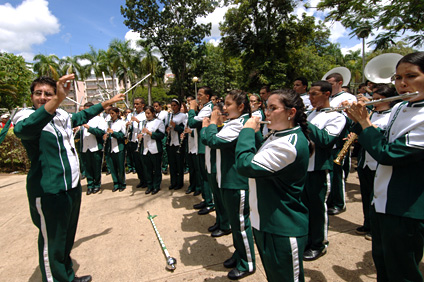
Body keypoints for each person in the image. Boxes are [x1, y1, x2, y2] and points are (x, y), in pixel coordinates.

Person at [13, 74, 125, 282]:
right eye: (39, 93)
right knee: (52, 245)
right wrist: (56, 100)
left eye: (49, 93)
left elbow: (81, 117)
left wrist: (106, 103)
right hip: (50, 191)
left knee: (65, 239)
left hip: (72, 187)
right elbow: (24, 131)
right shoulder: (25, 115)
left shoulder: (61, 115)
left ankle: (67, 276)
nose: (43, 97)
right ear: (32, 97)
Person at [345, 52, 424, 282]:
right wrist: (356, 118)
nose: (402, 83)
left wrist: (364, 122)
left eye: (411, 76)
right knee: (384, 264)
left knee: (402, 272)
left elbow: (388, 154)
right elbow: (383, 137)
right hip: (382, 201)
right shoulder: (401, 107)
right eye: (398, 77)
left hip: (404, 208)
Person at [236, 89, 312, 282]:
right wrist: (254, 134)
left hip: (283, 227)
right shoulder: (277, 134)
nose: (266, 113)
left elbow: (246, 165)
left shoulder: (288, 142)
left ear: (291, 112)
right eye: (266, 107)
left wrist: (245, 131)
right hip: (268, 223)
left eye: (273, 108)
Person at [203, 90, 256, 280]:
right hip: (228, 180)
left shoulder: (241, 124)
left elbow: (212, 140)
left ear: (241, 107)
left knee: (241, 224)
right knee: (235, 223)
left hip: (237, 182)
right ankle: (239, 253)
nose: (224, 108)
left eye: (228, 104)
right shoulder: (234, 122)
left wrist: (210, 124)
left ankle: (247, 263)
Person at [303, 81, 346, 261]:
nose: (310, 98)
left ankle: (319, 244)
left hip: (318, 169)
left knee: (317, 209)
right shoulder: (310, 113)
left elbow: (325, 140)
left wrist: (303, 121)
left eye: (314, 94)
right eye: (310, 94)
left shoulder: (336, 116)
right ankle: (305, 240)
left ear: (327, 94)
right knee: (303, 207)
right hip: (302, 167)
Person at [354, 84, 397, 241]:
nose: (374, 102)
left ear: (389, 100)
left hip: (378, 163)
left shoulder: (391, 115)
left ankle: (376, 228)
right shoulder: (371, 113)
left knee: (376, 197)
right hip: (365, 161)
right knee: (366, 196)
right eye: (373, 98)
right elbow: (360, 131)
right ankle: (368, 223)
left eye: (379, 99)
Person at [325, 73, 357, 216]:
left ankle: (339, 203)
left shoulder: (348, 97)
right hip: (327, 140)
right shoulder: (328, 97)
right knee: (328, 173)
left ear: (340, 83)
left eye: (331, 84)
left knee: (337, 173)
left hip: (340, 140)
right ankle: (329, 200)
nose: (329, 87)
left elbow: (350, 119)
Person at [188, 86, 215, 215]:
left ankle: (210, 203)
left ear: (207, 97)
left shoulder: (208, 108)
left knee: (206, 175)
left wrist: (191, 110)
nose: (198, 97)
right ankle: (206, 199)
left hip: (205, 148)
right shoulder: (204, 108)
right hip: (200, 146)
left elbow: (192, 123)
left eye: (200, 95)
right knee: (202, 175)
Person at [81, 102, 107, 195]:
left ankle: (97, 184)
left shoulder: (99, 119)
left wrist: (89, 128)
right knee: (88, 168)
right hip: (85, 147)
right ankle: (90, 185)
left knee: (96, 167)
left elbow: (101, 132)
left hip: (95, 147)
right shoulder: (82, 119)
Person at [140, 105, 166, 194]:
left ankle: (156, 186)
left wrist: (150, 133)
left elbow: (161, 135)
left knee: (156, 168)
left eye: (148, 113)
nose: (147, 115)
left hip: (155, 148)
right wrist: (140, 135)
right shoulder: (144, 122)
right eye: (145, 113)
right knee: (147, 169)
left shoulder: (159, 122)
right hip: (145, 148)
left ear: (153, 113)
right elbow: (142, 133)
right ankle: (149, 185)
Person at [166, 99, 187, 190]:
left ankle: (180, 182)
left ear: (178, 106)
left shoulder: (183, 116)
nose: (173, 107)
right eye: (172, 105)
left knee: (179, 164)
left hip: (179, 142)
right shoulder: (169, 115)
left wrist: (175, 126)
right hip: (171, 142)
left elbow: (184, 129)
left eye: (175, 105)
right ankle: (173, 182)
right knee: (172, 164)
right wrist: (167, 129)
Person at [104, 107, 127, 192]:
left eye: (112, 113)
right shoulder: (108, 123)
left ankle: (122, 183)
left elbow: (123, 136)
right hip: (110, 147)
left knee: (120, 166)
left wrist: (113, 133)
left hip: (118, 147)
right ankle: (116, 183)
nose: (111, 115)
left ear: (117, 113)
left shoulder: (121, 122)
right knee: (112, 167)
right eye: (109, 114)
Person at [126, 98, 147, 187]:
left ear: (142, 105)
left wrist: (138, 121)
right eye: (134, 104)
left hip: (142, 141)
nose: (135, 106)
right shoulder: (131, 114)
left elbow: (146, 125)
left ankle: (147, 180)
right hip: (133, 140)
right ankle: (141, 180)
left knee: (144, 163)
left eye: (137, 104)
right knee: (137, 163)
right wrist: (127, 125)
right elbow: (129, 129)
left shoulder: (145, 114)